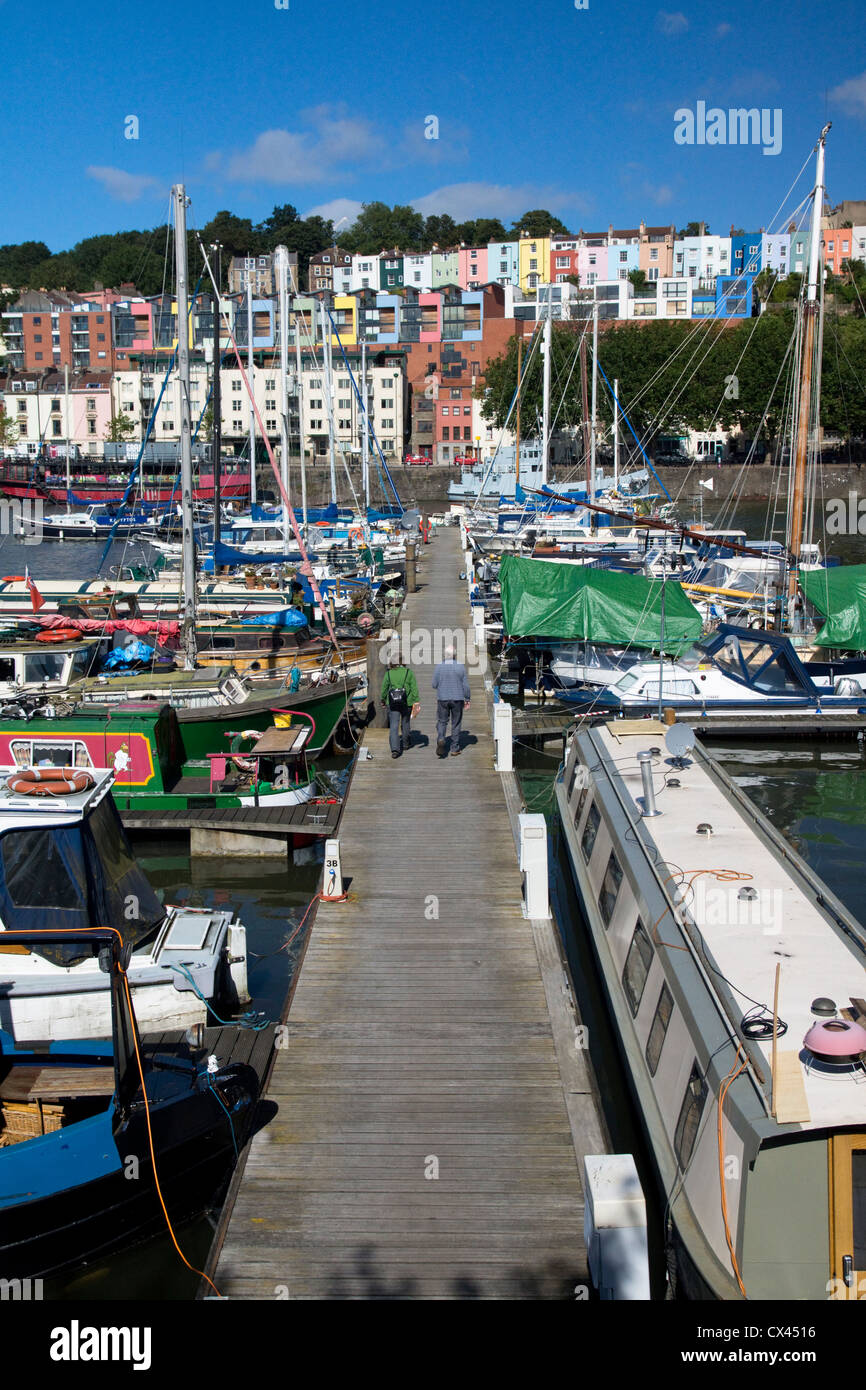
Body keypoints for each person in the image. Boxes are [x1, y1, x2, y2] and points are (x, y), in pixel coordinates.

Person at [432, 645, 470, 757]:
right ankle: (454, 748)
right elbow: (466, 686)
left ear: (445, 655)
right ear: (454, 655)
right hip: (457, 699)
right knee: (456, 723)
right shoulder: (460, 667)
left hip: (442, 698)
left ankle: (441, 738)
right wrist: (467, 698)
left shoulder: (439, 667)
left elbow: (434, 685)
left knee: (442, 721)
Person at [381, 654, 420, 759]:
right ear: (402, 661)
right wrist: (416, 701)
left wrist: (383, 700)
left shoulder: (389, 673)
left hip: (392, 703)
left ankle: (395, 750)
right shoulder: (409, 672)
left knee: (394, 725)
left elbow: (384, 687)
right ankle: (406, 744)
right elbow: (414, 688)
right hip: (407, 702)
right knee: (405, 723)